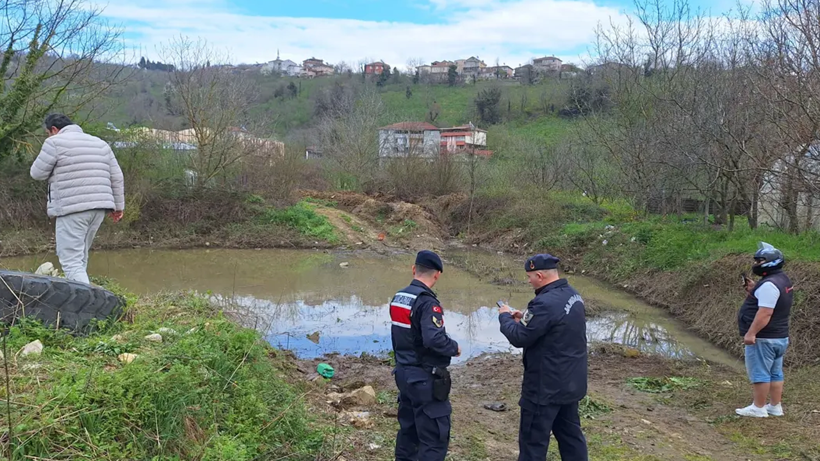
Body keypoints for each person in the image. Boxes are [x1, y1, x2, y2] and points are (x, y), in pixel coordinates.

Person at [498, 254, 588, 461]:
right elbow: (553, 325)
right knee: (571, 437)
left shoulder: (544, 302)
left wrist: (504, 317)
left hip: (544, 388)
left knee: (533, 443)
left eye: (529, 276)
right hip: (571, 383)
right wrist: (525, 318)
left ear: (539, 275)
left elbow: (519, 337)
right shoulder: (573, 295)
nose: (528, 281)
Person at [30, 114, 125, 284]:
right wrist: (118, 207)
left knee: (71, 261)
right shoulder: (100, 144)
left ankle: (87, 305)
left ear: (53, 129)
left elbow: (37, 173)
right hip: (100, 208)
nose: (48, 136)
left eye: (47, 133)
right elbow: (116, 177)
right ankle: (88, 298)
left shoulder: (54, 142)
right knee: (80, 258)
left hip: (72, 208)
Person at [390, 250, 461, 461]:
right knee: (433, 439)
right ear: (437, 274)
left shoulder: (400, 297)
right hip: (424, 379)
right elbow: (434, 339)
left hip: (404, 374)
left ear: (414, 269)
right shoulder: (428, 303)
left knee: (408, 435)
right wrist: (454, 347)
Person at [735, 242, 793, 418]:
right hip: (779, 337)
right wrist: (754, 289)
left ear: (770, 262)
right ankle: (775, 406)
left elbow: (765, 313)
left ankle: (758, 407)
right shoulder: (782, 280)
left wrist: (751, 333)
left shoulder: (769, 285)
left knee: (760, 372)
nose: (756, 264)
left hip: (764, 338)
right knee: (775, 372)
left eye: (760, 261)